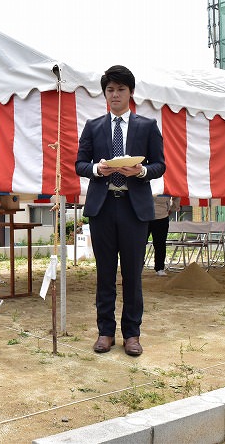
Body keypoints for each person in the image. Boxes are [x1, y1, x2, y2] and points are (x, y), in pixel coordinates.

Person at [75, 65, 166, 357]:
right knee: (104, 273)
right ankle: (105, 331)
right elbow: (79, 164)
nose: (115, 95)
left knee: (132, 275)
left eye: (120, 89)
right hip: (102, 207)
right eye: (110, 90)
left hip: (133, 208)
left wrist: (141, 171)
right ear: (104, 93)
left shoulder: (147, 126)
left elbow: (160, 165)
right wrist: (95, 169)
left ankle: (132, 334)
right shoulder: (93, 126)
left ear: (131, 92)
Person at [148, 195, 180, 276]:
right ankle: (137, 266)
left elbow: (176, 195)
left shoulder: (167, 183)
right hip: (144, 216)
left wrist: (171, 209)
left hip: (162, 216)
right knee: (139, 243)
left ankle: (159, 268)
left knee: (160, 244)